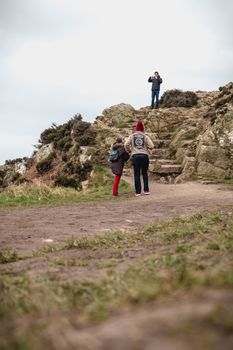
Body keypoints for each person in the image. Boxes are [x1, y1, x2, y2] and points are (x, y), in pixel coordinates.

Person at [124, 121, 154, 196]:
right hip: (144, 156)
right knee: (145, 173)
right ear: (143, 129)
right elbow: (152, 146)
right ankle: (146, 190)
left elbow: (126, 144)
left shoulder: (132, 136)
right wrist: (147, 148)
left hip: (135, 156)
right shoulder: (145, 136)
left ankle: (138, 192)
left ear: (136, 128)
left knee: (137, 174)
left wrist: (129, 150)